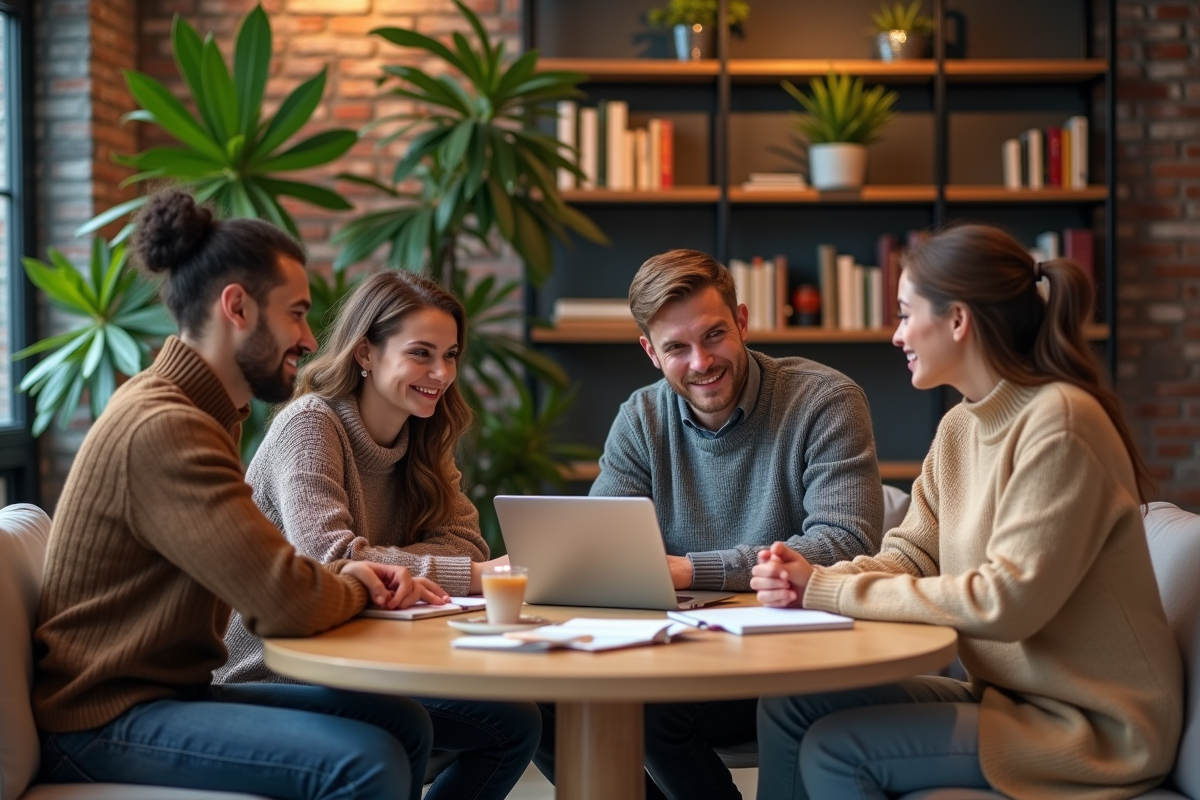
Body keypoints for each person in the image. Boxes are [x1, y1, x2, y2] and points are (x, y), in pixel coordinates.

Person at [752, 224, 1183, 800]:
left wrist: (824, 591)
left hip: (1093, 726)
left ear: (957, 320)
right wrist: (812, 579)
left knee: (839, 750)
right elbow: (913, 552)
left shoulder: (1060, 423)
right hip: (1010, 699)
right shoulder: (962, 425)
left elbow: (1006, 604)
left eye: (906, 314)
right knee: (789, 704)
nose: (897, 335)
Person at [33, 190, 438, 800]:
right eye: (297, 313)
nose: (308, 338)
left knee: (401, 723)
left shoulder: (207, 412)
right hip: (103, 720)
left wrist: (349, 571)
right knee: (367, 762)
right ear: (237, 307)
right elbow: (282, 601)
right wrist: (358, 581)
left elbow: (265, 570)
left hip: (173, 693)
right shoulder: (165, 426)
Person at [535, 249, 885, 800]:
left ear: (742, 322)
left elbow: (844, 544)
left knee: (651, 713)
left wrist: (685, 569)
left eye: (714, 335)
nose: (700, 362)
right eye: (676, 347)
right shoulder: (640, 418)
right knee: (537, 704)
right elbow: (601, 550)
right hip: (676, 653)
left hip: (789, 663)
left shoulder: (825, 400)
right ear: (651, 352)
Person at [215, 269, 541, 800]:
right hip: (274, 667)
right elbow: (333, 557)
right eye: (421, 353)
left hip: (365, 655)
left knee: (517, 723)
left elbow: (465, 543)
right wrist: (469, 576)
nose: (441, 373)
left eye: (451, 355)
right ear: (365, 352)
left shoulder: (425, 434)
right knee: (481, 723)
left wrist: (403, 567)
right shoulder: (309, 424)